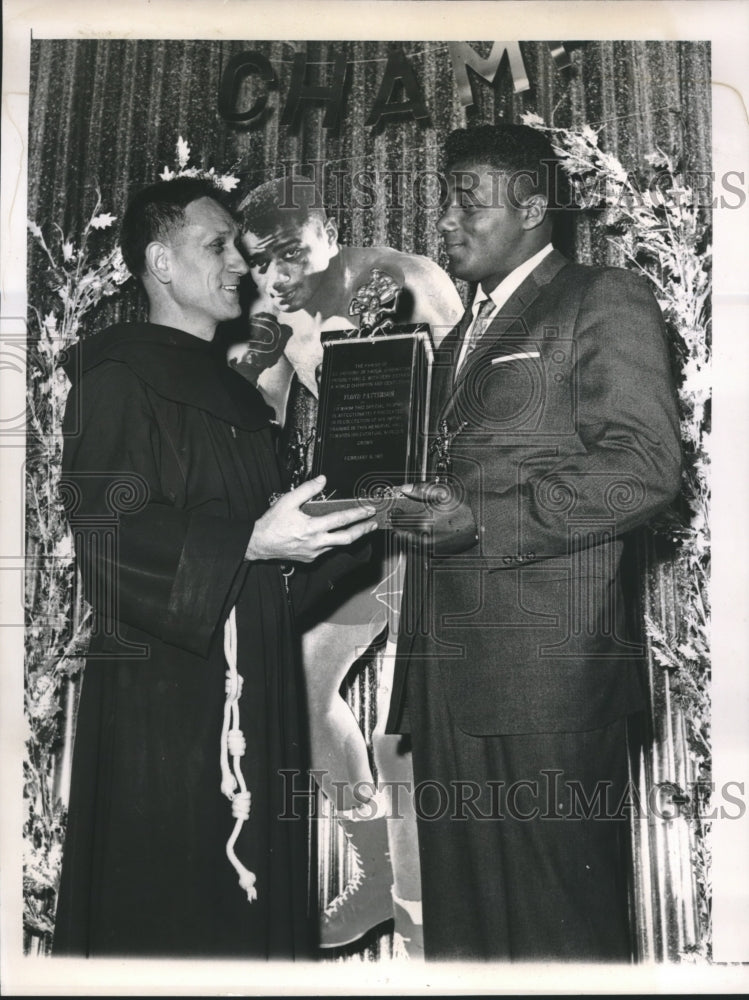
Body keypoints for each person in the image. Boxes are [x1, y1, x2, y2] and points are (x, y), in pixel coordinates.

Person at [52, 177, 378, 959]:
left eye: (239, 242)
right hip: (166, 698)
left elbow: (272, 538)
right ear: (160, 263)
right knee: (178, 897)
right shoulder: (120, 375)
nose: (242, 260)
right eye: (217, 245)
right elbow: (108, 531)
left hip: (249, 676)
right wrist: (249, 545)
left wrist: (354, 518)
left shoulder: (228, 391)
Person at [387, 123, 682, 961]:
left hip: (547, 675)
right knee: (465, 933)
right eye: (443, 199)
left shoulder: (601, 296)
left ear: (531, 205)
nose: (443, 220)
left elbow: (646, 466)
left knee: (561, 928)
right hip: (448, 674)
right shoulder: (453, 339)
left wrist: (481, 519)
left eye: (465, 200)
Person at [226, 176, 463, 953]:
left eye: (288, 252)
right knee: (299, 678)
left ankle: (420, 903)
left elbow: (476, 382)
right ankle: (377, 879)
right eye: (258, 262)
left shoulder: (402, 273)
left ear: (329, 228)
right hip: (357, 520)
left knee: (413, 708)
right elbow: (255, 410)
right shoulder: (276, 314)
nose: (275, 274)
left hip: (437, 511)